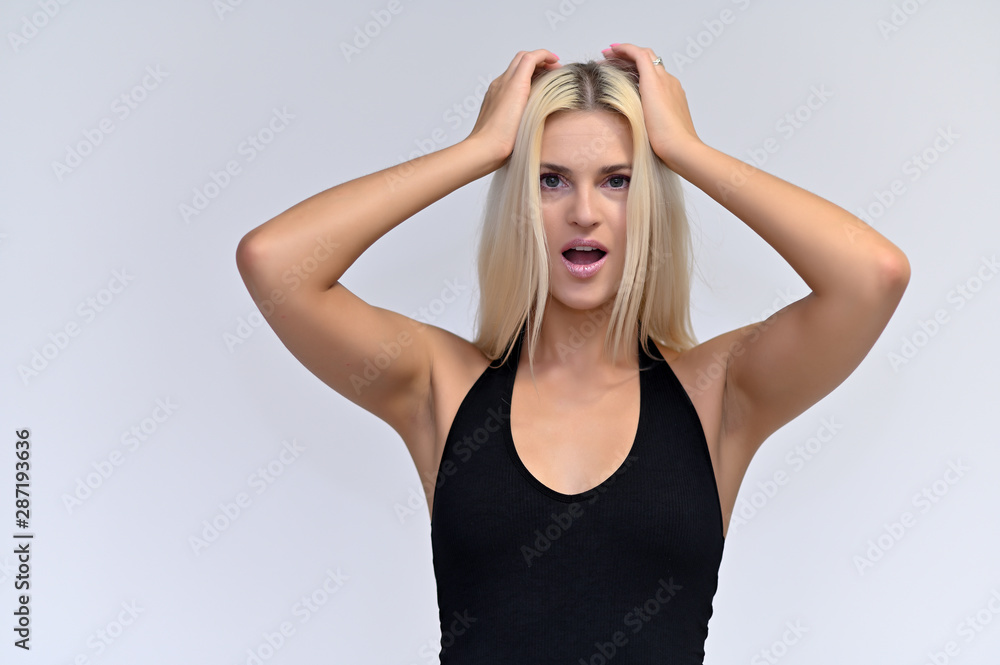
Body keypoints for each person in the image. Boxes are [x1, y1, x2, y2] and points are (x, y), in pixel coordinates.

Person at [236, 44, 910, 664]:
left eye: (617, 180)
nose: (584, 212)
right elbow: (274, 262)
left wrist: (684, 148)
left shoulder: (719, 392)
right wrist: (482, 148)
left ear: (647, 200)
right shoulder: (440, 386)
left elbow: (873, 275)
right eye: (550, 180)